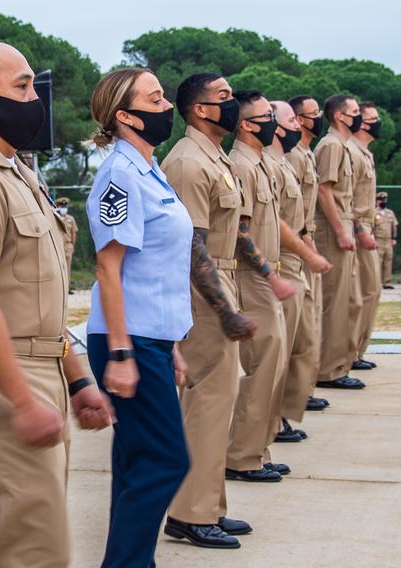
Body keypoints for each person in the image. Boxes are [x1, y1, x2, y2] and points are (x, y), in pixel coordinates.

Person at [0, 42, 114, 568]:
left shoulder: (13, 172)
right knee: (33, 546)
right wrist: (22, 399)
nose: (36, 98)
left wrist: (75, 380)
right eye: (23, 86)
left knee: (36, 540)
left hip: (38, 366)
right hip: (3, 375)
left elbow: (38, 301)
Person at [84, 67, 192, 567]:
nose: (166, 105)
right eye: (155, 98)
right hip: (128, 339)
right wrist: (125, 352)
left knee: (137, 464)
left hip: (151, 336)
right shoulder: (119, 175)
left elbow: (159, 271)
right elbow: (109, 268)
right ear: (126, 115)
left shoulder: (151, 170)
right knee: (166, 461)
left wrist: (172, 345)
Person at [159, 72, 257, 549]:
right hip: (204, 289)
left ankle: (208, 504)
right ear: (199, 109)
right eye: (223, 98)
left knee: (219, 403)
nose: (232, 104)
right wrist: (225, 310)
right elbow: (191, 245)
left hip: (223, 278)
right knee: (206, 403)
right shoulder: (186, 162)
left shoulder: (213, 157)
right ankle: (188, 513)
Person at [224, 90, 298, 483]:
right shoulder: (241, 165)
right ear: (247, 124)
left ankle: (258, 449)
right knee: (260, 367)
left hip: (269, 273)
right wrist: (270, 275)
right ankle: (242, 456)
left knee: (274, 365)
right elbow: (240, 232)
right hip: (252, 277)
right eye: (267, 115)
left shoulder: (260, 163)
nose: (275, 121)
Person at [264, 100, 332, 446]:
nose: (300, 125)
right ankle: (271, 421)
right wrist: (307, 250)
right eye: (292, 119)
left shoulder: (284, 161)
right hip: (283, 259)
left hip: (296, 253)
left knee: (301, 341)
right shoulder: (273, 164)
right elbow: (275, 221)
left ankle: (281, 415)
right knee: (284, 349)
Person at [313, 94, 366, 390]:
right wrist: (341, 230)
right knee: (334, 302)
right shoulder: (332, 145)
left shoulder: (343, 146)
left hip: (343, 223)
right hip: (334, 229)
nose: (358, 116)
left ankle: (339, 362)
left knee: (347, 300)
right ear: (339, 116)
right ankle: (328, 369)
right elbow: (324, 191)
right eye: (354, 112)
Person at [288, 95, 331, 412]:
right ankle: (290, 400)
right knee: (297, 330)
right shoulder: (293, 156)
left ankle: (302, 391)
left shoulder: (305, 153)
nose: (318, 118)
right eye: (312, 114)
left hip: (305, 241)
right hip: (292, 248)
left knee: (310, 322)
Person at [347, 102, 381, 372]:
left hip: (366, 226)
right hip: (357, 229)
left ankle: (357, 349)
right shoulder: (352, 152)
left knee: (370, 292)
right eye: (372, 118)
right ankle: (350, 352)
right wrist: (359, 230)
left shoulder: (364, 153)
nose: (376, 122)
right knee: (361, 294)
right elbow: (344, 199)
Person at [374, 191, 399, 289]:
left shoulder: (390, 213)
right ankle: (377, 282)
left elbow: (394, 226)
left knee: (388, 261)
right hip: (378, 239)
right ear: (376, 201)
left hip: (388, 240)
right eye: (380, 200)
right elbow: (371, 227)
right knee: (378, 262)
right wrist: (373, 239)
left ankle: (387, 282)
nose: (382, 201)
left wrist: (394, 238)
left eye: (384, 200)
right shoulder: (373, 213)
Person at [56, 196, 78, 292]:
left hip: (67, 245)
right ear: (58, 206)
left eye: (65, 206)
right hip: (57, 245)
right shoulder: (55, 217)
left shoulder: (71, 219)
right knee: (57, 267)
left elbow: (74, 233)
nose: (63, 208)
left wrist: (72, 245)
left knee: (67, 267)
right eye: (61, 206)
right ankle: (58, 288)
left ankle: (67, 288)